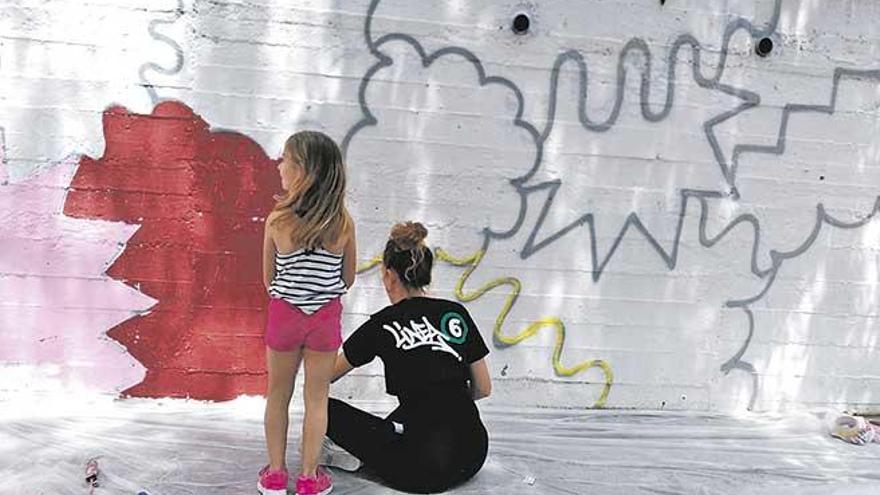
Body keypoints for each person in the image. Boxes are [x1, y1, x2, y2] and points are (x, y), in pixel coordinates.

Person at [325, 221, 492, 493]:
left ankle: (377, 443)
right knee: (430, 396)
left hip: (424, 469)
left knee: (324, 407)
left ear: (389, 275)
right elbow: (483, 388)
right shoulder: (455, 314)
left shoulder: (382, 324)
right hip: (474, 454)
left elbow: (324, 377)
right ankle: (401, 429)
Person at [258, 130, 357, 495]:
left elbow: (269, 279)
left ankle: (275, 474)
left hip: (285, 316)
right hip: (324, 320)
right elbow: (347, 277)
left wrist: (293, 294)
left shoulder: (277, 220)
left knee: (277, 394)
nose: (280, 166)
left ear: (302, 170)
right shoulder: (344, 223)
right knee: (316, 399)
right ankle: (310, 478)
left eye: (285, 160)